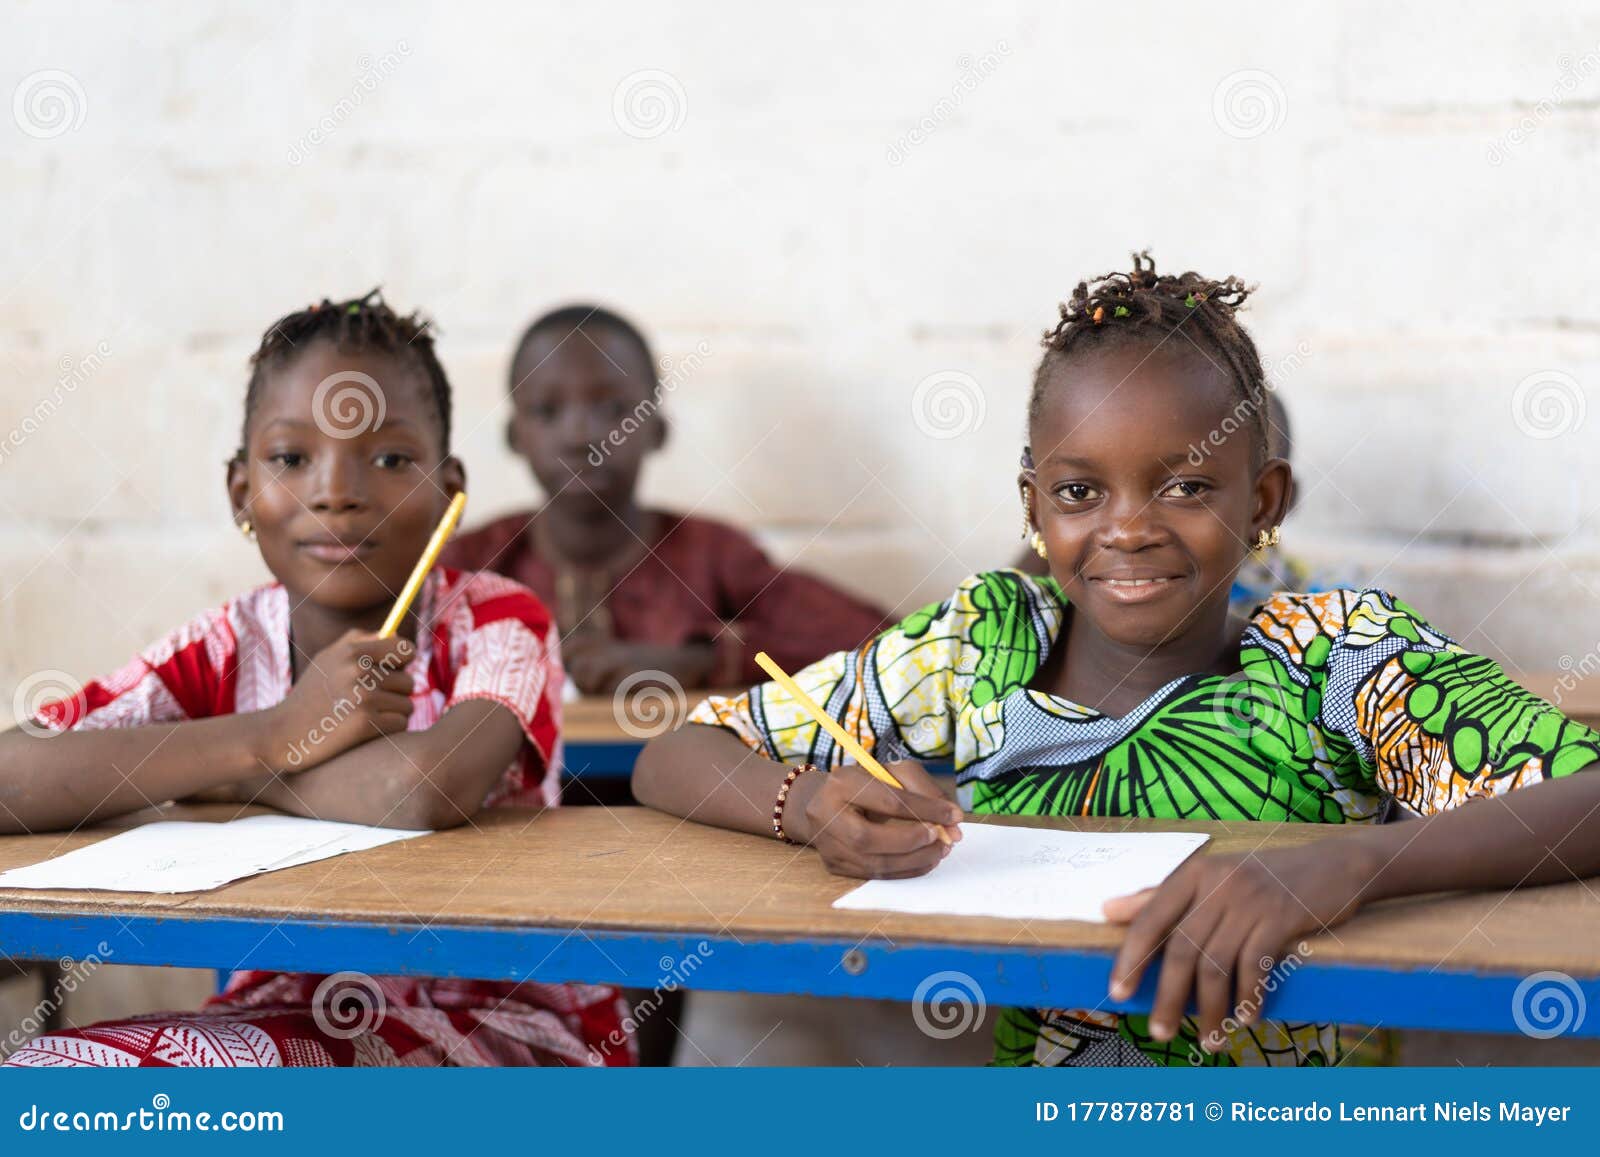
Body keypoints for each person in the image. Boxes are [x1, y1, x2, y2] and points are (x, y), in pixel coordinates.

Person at [632, 253, 1600, 1066]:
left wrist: (1341, 863)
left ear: (1262, 499)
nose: (1127, 529)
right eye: (1080, 490)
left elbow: (1584, 795)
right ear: (1031, 502)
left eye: (1184, 483)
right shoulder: (981, 646)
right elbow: (671, 752)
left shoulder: (1332, 657)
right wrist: (803, 803)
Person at [2, 292, 630, 1067]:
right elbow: (12, 776)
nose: (335, 491)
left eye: (391, 458)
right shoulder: (223, 644)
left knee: (78, 1087)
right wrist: (274, 731)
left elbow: (422, 790)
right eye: (291, 458)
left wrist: (227, 774)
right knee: (47, 1077)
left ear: (449, 494)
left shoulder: (498, 620)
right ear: (242, 494)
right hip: (282, 1012)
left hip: (508, 1022)